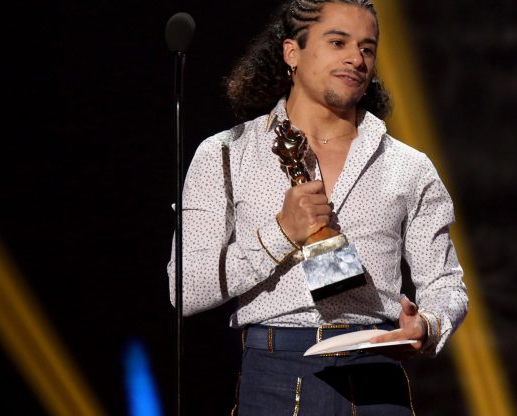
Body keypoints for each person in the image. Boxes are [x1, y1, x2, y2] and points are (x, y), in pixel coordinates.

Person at [167, 1, 468, 414]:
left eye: (367, 48)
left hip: (376, 376)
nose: (355, 58)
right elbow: (185, 289)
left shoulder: (408, 167)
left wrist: (428, 325)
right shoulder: (226, 154)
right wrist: (280, 235)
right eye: (338, 42)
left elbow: (446, 283)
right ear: (292, 52)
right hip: (275, 375)